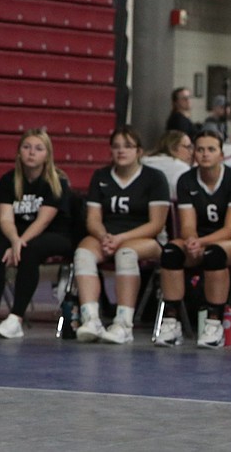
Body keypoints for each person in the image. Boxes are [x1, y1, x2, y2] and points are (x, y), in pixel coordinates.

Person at [154, 130, 231, 348]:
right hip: (201, 241)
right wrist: (192, 240)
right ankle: (172, 322)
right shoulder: (186, 180)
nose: (205, 154)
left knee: (214, 254)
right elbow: (188, 224)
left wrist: (201, 243)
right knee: (172, 252)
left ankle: (214, 323)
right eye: (200, 149)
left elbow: (230, 229)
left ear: (221, 154)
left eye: (211, 149)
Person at [73, 126, 170, 344]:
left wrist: (120, 239)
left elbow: (156, 224)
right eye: (116, 146)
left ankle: (124, 323)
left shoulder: (154, 178)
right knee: (82, 253)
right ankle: (91, 319)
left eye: (128, 146)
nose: (121, 151)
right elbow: (93, 219)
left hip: (145, 238)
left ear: (139, 151)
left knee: (125, 253)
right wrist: (104, 236)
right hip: (107, 235)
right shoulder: (101, 176)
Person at [0, 128, 73, 339]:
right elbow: (5, 219)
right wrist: (14, 240)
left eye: (38, 149)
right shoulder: (9, 180)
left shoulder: (57, 182)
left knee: (29, 251)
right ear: (19, 152)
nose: (31, 153)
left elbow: (43, 220)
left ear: (47, 154)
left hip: (55, 233)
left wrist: (20, 243)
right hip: (16, 232)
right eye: (26, 147)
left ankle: (16, 318)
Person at [142, 130, 193, 200]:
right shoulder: (182, 169)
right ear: (173, 147)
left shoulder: (142, 162)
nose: (191, 152)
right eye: (188, 147)